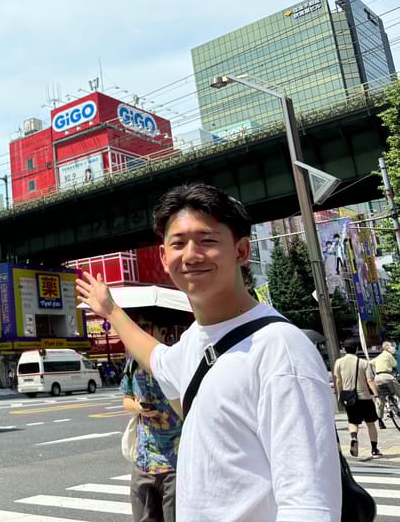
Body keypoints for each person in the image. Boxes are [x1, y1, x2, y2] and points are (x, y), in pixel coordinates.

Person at [77, 182, 340, 521]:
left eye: (208, 241)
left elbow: (310, 504)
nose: (190, 255)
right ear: (163, 256)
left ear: (242, 251)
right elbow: (156, 357)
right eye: (178, 243)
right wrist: (111, 310)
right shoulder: (195, 341)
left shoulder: (280, 349)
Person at [121, 356, 181, 522]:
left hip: (176, 462)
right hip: (144, 461)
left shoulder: (176, 357)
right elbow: (127, 400)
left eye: (151, 327)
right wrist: (139, 408)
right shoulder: (132, 364)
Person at [335, 338, 382, 455]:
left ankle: (354, 437)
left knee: (353, 422)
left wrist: (340, 394)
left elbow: (338, 381)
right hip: (364, 397)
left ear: (344, 349)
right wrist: (377, 395)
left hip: (349, 398)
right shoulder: (363, 363)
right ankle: (374, 449)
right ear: (356, 348)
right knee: (371, 424)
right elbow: (370, 380)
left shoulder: (339, 362)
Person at [371, 341, 398, 426]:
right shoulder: (388, 355)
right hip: (388, 376)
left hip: (378, 378)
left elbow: (370, 362)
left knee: (381, 399)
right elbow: (395, 364)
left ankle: (380, 421)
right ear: (388, 347)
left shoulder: (379, 357)